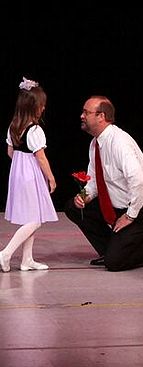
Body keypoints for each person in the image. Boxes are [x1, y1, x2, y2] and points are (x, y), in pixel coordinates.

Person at [64, 96, 143, 271]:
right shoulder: (96, 143)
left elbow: (138, 181)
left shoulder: (119, 142)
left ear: (101, 116)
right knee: (73, 207)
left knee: (114, 263)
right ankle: (114, 249)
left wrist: (131, 215)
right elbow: (94, 180)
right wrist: (83, 197)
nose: (81, 116)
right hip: (117, 207)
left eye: (86, 112)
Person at [0, 77, 58, 272]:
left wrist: (20, 164)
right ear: (34, 107)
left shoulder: (13, 126)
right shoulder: (34, 130)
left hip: (17, 172)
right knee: (35, 219)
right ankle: (6, 253)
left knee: (29, 217)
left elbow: (10, 152)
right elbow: (41, 157)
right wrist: (50, 177)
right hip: (30, 174)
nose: (43, 109)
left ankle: (27, 260)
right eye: (42, 105)